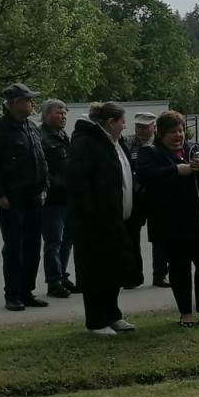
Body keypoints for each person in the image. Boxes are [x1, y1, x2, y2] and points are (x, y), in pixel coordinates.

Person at [135, 110, 199, 327]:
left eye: (181, 131)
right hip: (174, 224)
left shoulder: (195, 148)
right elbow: (146, 176)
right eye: (173, 132)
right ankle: (185, 312)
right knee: (180, 269)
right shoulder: (150, 152)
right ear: (161, 134)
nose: (178, 136)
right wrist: (176, 171)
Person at [66, 102, 139, 335]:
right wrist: (93, 214)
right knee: (96, 272)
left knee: (113, 270)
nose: (125, 126)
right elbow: (78, 183)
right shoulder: (86, 143)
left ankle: (112, 315)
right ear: (110, 122)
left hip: (117, 220)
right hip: (95, 223)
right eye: (122, 122)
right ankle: (96, 322)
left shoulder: (115, 143)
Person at [0, 83, 49, 311]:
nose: (31, 104)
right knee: (14, 247)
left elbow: (41, 159)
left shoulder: (31, 127)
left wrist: (44, 187)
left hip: (34, 196)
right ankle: (13, 294)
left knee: (32, 246)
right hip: (12, 197)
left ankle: (27, 292)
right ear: (15, 103)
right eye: (28, 100)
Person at [38, 98, 77, 298]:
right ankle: (53, 281)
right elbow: (42, 168)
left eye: (64, 113)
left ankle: (62, 275)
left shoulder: (63, 135)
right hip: (53, 198)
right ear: (46, 115)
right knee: (53, 241)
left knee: (67, 240)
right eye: (58, 113)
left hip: (68, 197)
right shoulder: (41, 137)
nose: (63, 116)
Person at [126, 111, 169, 288]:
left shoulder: (161, 144)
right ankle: (133, 275)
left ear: (154, 127)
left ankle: (160, 275)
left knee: (160, 237)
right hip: (135, 195)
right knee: (131, 236)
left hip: (157, 195)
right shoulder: (127, 143)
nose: (141, 130)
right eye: (138, 126)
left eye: (145, 127)